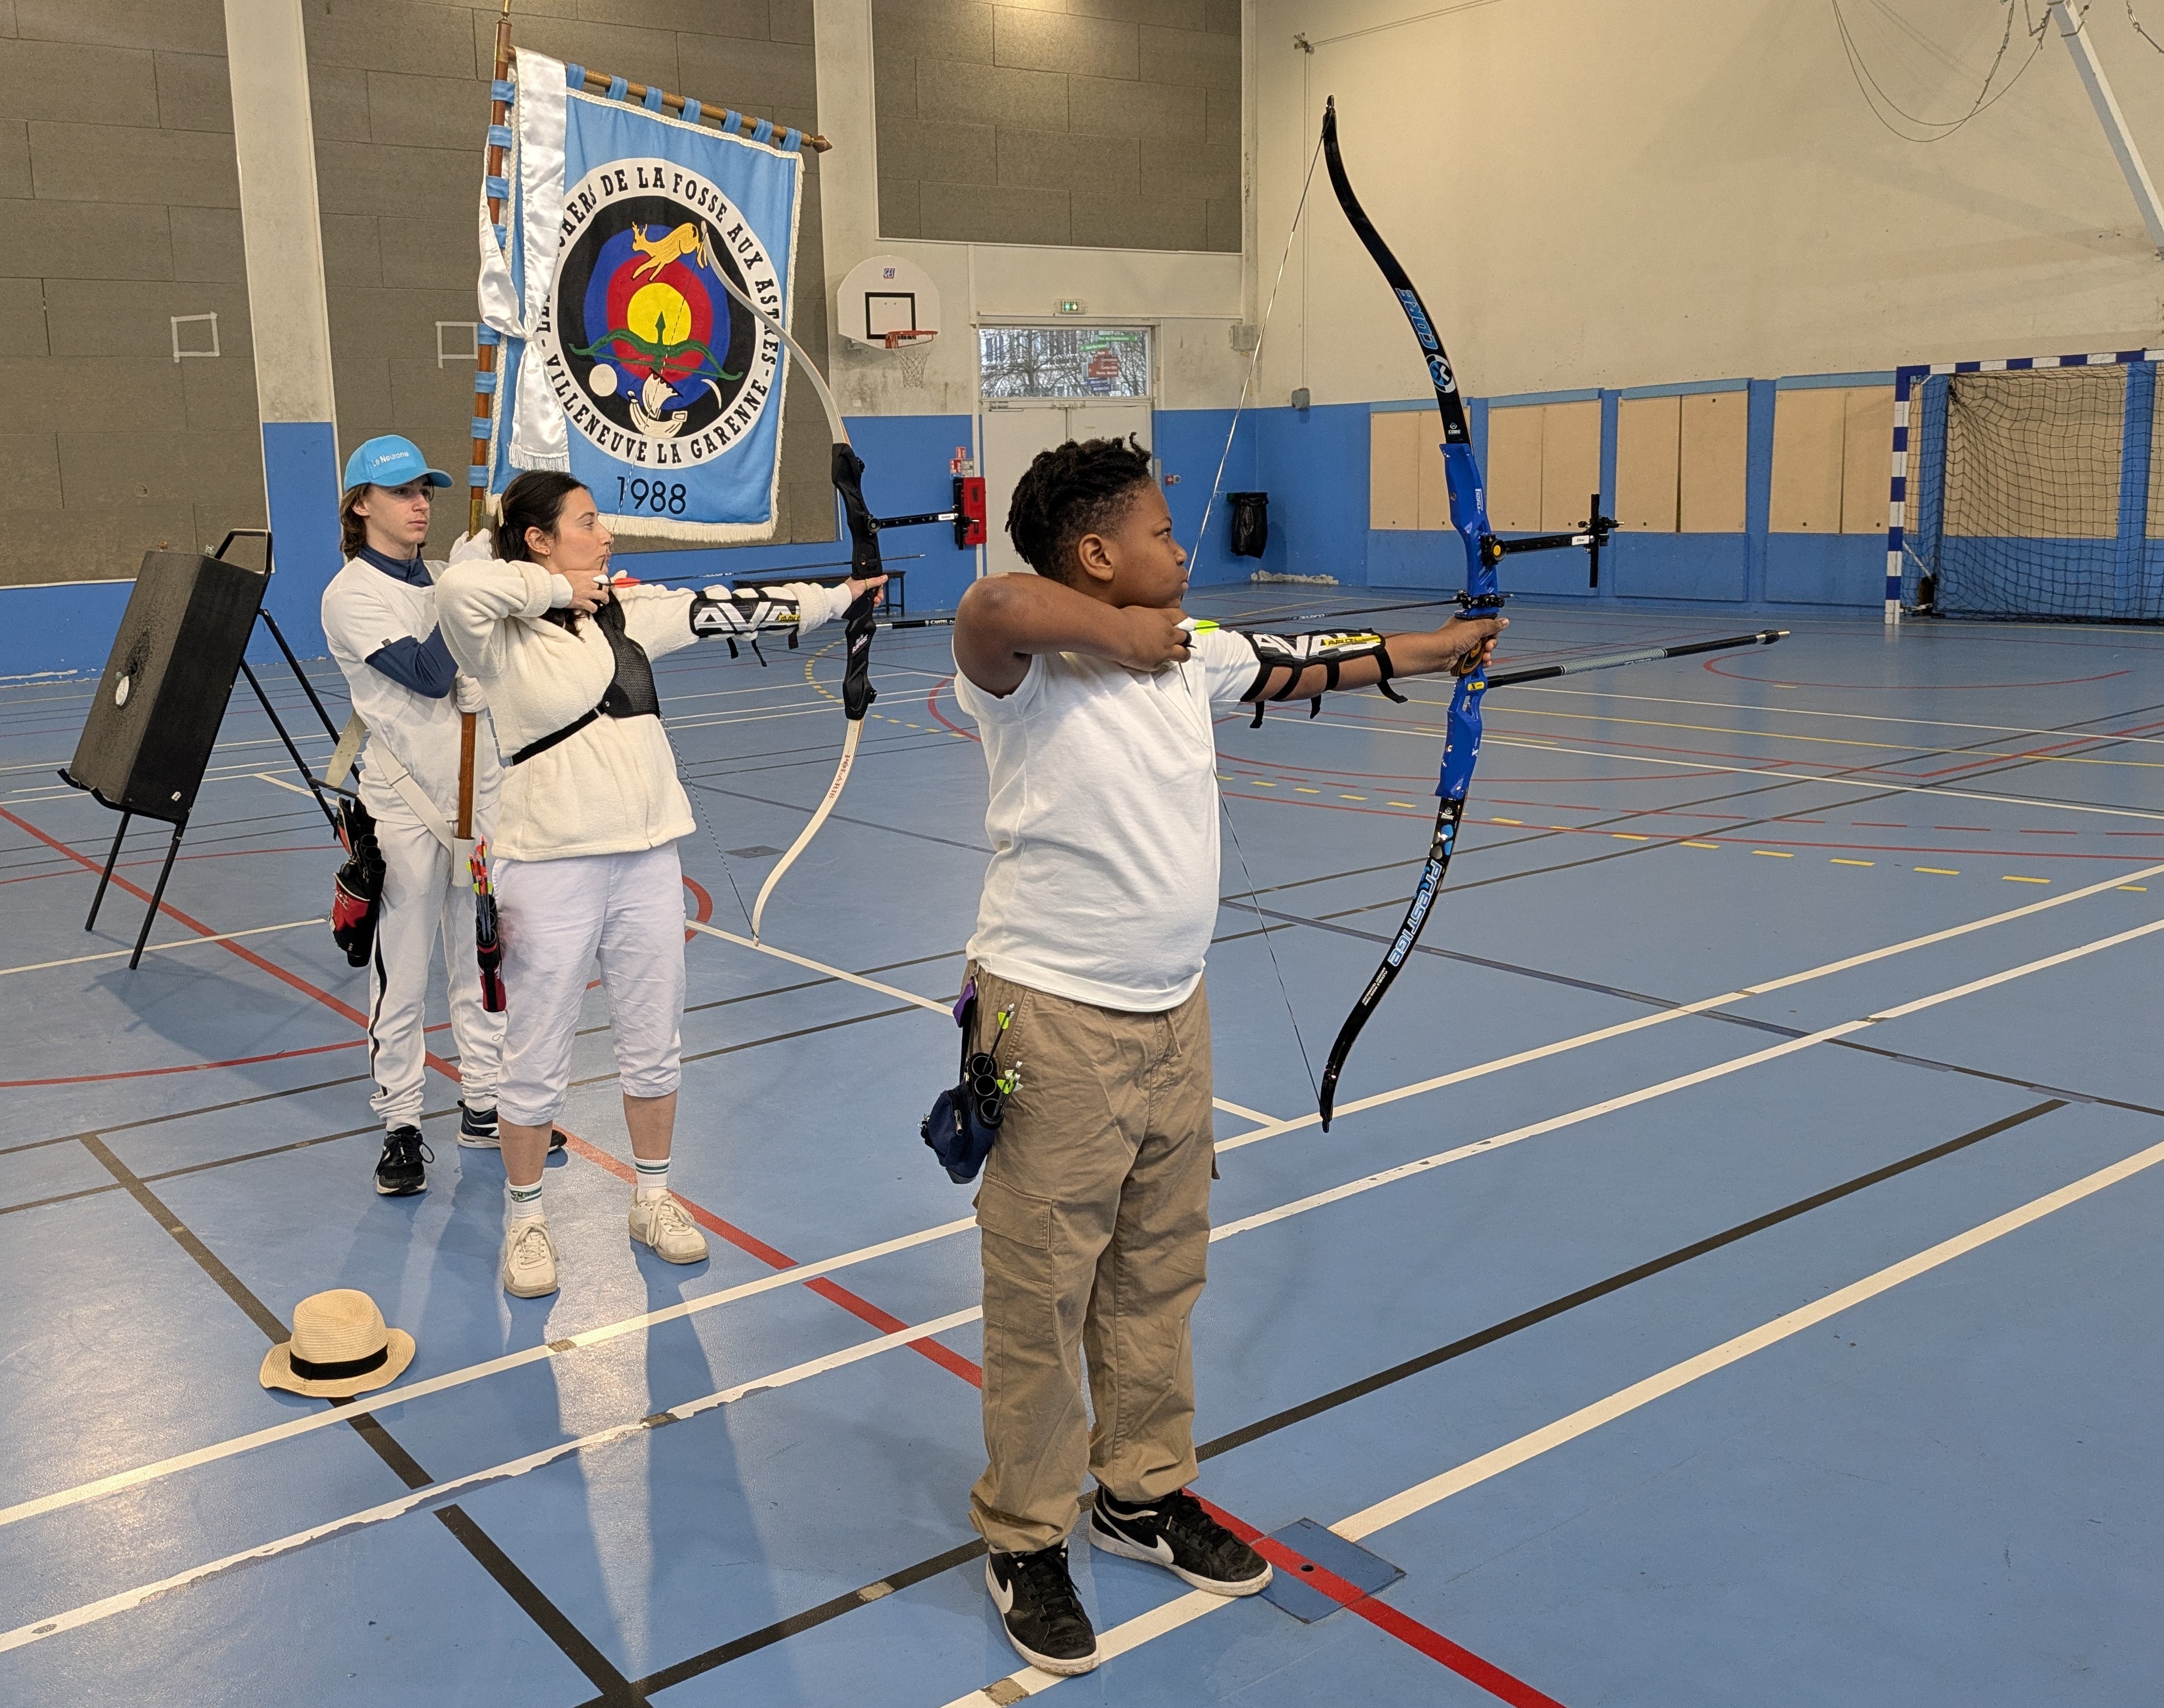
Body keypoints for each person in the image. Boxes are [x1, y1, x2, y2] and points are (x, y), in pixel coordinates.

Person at [948, 435, 1504, 1675]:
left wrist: (1438, 650)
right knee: (1043, 1289)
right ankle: (1024, 1534)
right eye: (1159, 531)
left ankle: (1139, 1491)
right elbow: (990, 606)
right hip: (1054, 1019)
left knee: (1158, 1270)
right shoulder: (1028, 673)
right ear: (1098, 555)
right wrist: (1122, 636)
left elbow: (1310, 664)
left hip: (1173, 1014)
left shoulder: (1192, 653)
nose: (1181, 546)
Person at [435, 469, 882, 1299]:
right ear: (538, 539)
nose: (605, 534)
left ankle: (652, 1198)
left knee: (653, 1039)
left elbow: (725, 609)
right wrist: (555, 590)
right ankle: (527, 1218)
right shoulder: (496, 634)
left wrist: (838, 599)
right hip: (550, 861)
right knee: (534, 1052)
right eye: (586, 522)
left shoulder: (623, 614)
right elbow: (459, 585)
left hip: (646, 857)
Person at [321, 435, 550, 1196]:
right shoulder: (350, 595)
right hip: (404, 807)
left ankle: (484, 1103)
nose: (420, 504)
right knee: (403, 971)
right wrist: (466, 604)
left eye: (425, 490)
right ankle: (401, 1124)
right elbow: (424, 674)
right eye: (401, 492)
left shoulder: (452, 577)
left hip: (479, 798)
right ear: (361, 504)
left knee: (482, 958)